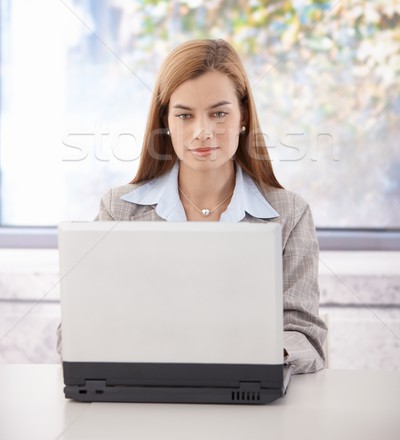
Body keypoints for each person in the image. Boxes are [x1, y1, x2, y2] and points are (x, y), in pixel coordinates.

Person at [57, 39, 327, 373]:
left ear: (243, 117)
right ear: (165, 122)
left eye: (219, 113)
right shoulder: (119, 210)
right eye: (185, 115)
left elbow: (305, 336)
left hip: (248, 399)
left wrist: (258, 358)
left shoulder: (289, 214)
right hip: (144, 392)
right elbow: (72, 330)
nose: (202, 132)